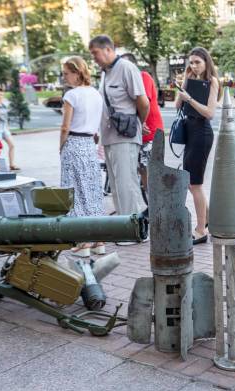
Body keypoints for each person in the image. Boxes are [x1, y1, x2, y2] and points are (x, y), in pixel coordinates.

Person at [89, 35, 150, 242]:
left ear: (107, 50)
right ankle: (124, 227)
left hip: (125, 135)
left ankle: (134, 231)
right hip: (109, 136)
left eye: (95, 53)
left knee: (127, 183)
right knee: (115, 185)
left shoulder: (126, 68)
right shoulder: (105, 73)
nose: (94, 58)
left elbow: (143, 102)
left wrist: (138, 124)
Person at [59, 56, 105, 257]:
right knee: (93, 191)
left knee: (76, 192)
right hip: (89, 144)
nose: (64, 78)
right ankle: (99, 240)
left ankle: (83, 242)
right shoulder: (96, 94)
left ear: (76, 73)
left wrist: (60, 147)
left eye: (66, 73)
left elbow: (65, 126)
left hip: (74, 143)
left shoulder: (72, 95)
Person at [175, 47, 220, 245]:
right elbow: (178, 105)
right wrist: (184, 85)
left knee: (195, 183)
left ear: (206, 62)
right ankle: (209, 219)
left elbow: (209, 113)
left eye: (197, 62)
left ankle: (201, 230)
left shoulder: (212, 82)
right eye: (191, 62)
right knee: (192, 182)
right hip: (190, 132)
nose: (194, 66)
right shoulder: (190, 80)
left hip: (202, 133)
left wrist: (190, 99)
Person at [121, 53, 164, 211]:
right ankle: (152, 206)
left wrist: (140, 122)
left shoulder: (143, 76)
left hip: (150, 131)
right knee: (142, 169)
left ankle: (156, 207)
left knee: (149, 170)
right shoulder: (126, 81)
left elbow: (143, 101)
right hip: (139, 131)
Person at [0, 89, 20, 171]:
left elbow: (6, 118)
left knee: (12, 145)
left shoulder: (4, 105)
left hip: (4, 127)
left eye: (1, 94)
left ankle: (12, 164)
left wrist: (8, 128)